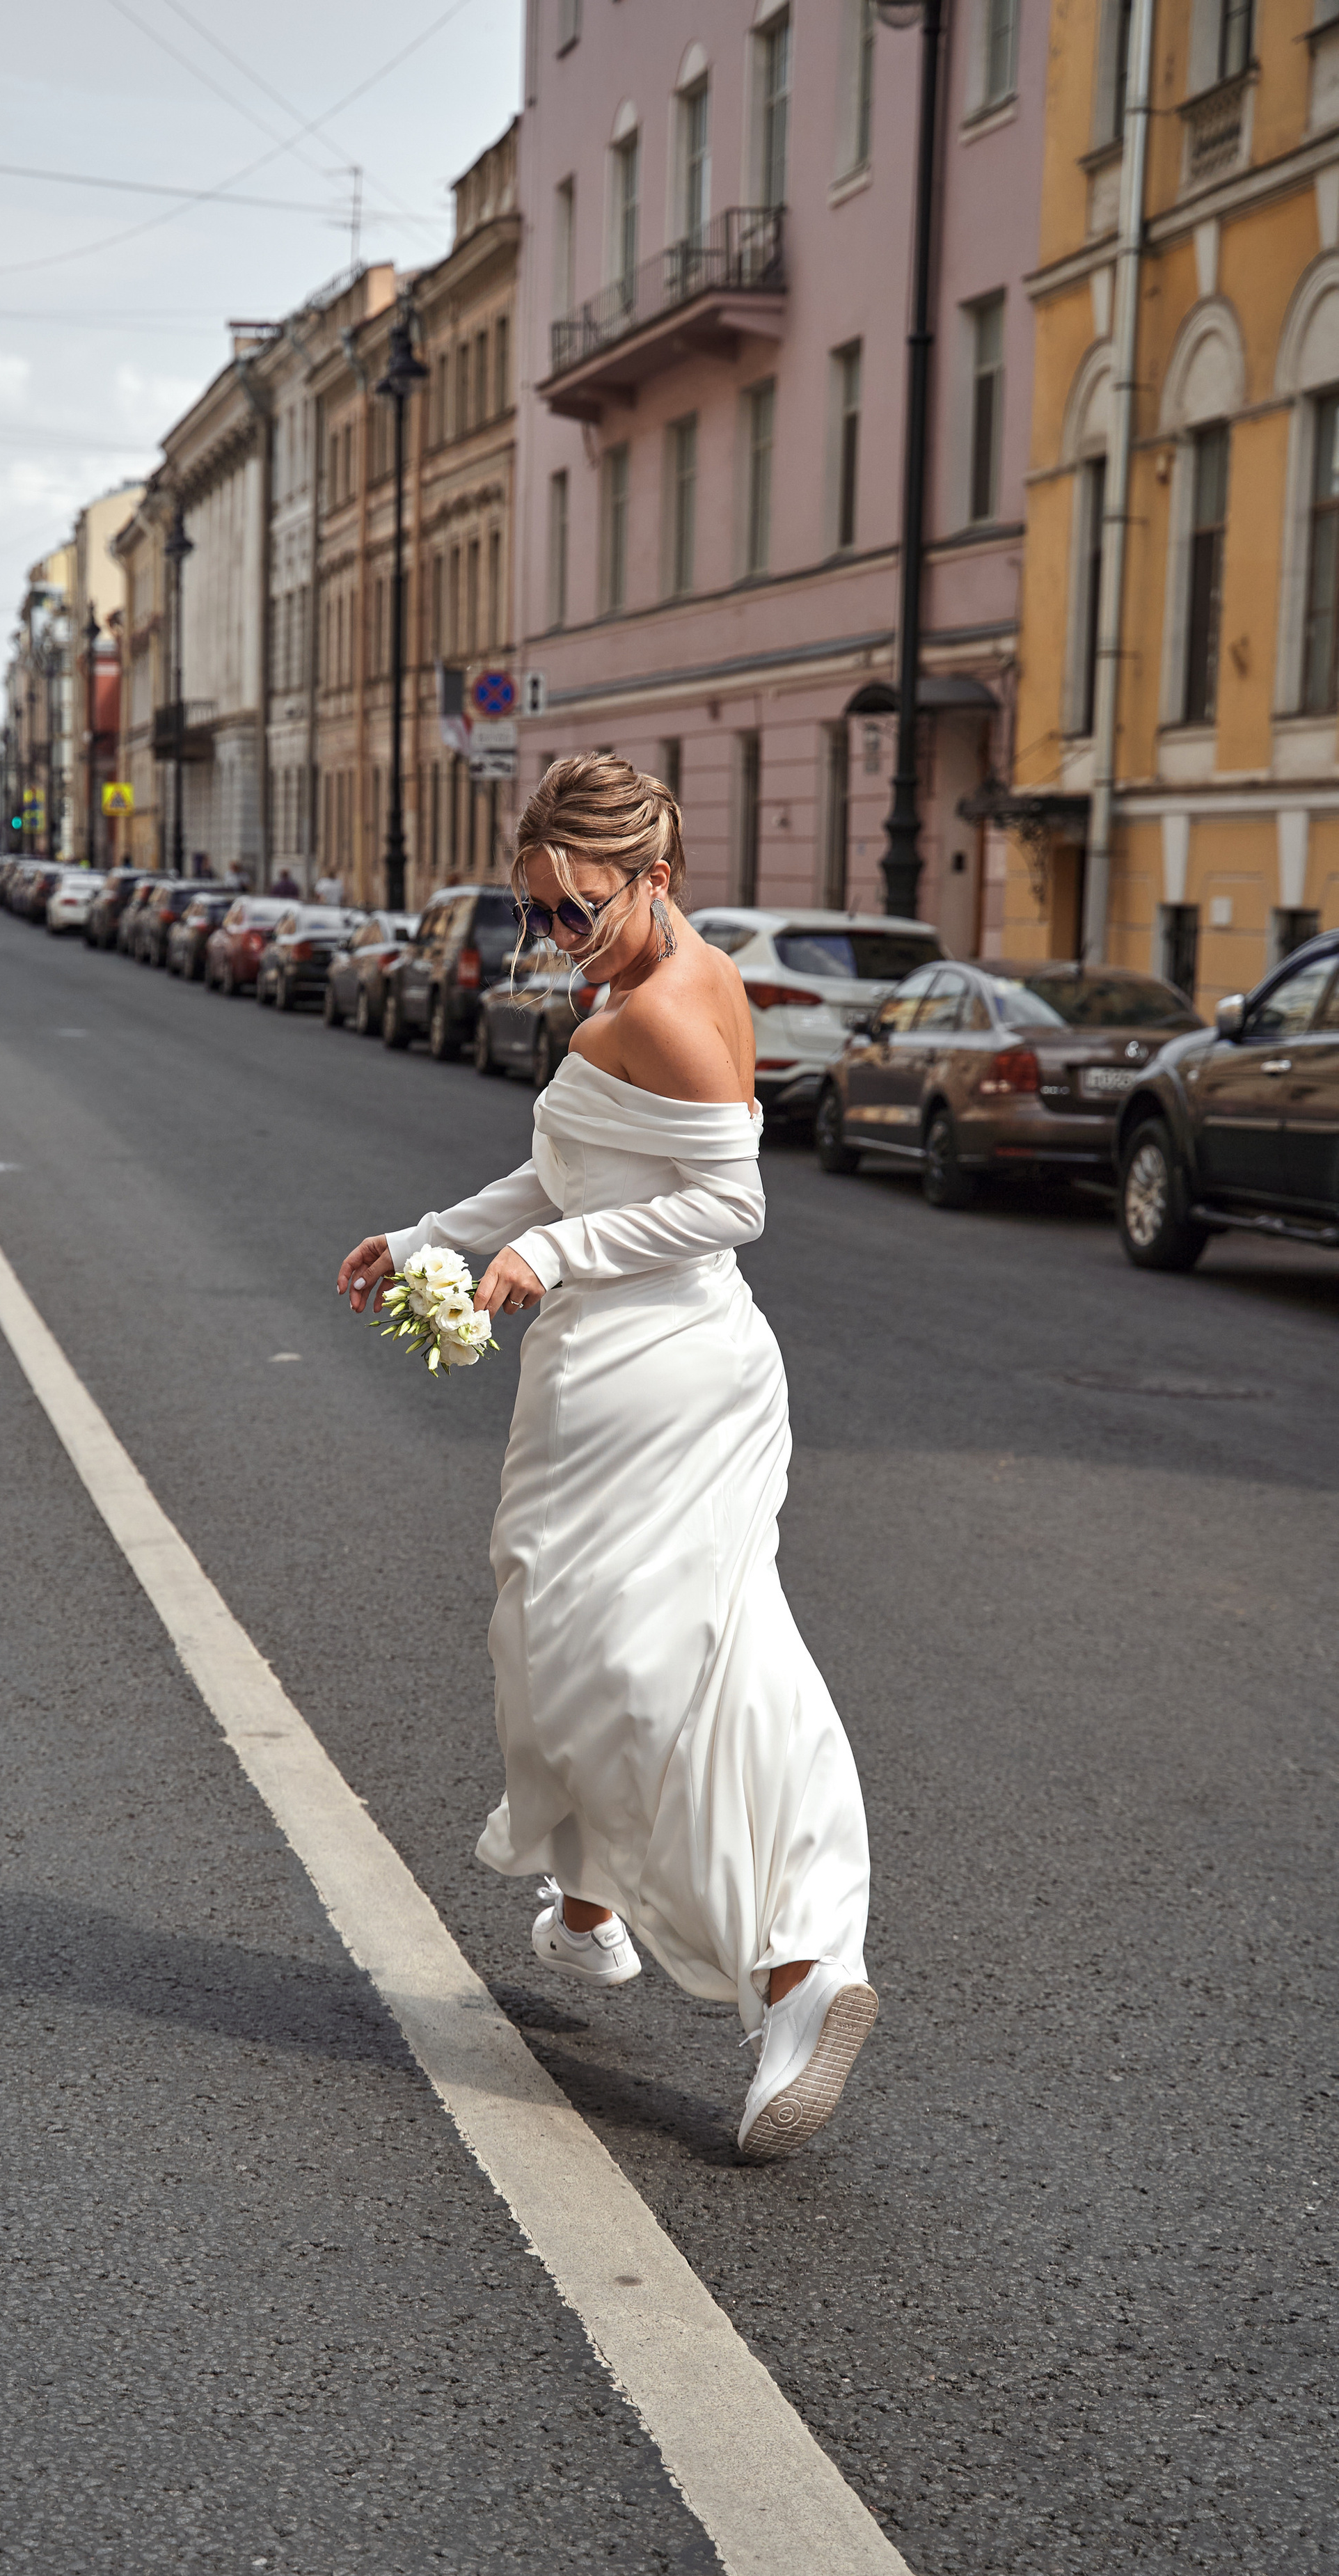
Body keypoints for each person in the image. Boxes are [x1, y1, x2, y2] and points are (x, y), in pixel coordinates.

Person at [335, 754, 875, 2163]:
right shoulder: (640, 987)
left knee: (660, 1667)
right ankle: (588, 1908)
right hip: (606, 1373)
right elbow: (575, 1170)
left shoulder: (676, 1002)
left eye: (577, 910)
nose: (556, 934)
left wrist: (543, 1254)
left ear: (651, 875)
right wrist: (432, 1238)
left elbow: (728, 1202)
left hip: (656, 1373)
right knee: (581, 1642)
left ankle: (797, 1975)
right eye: (539, 912)